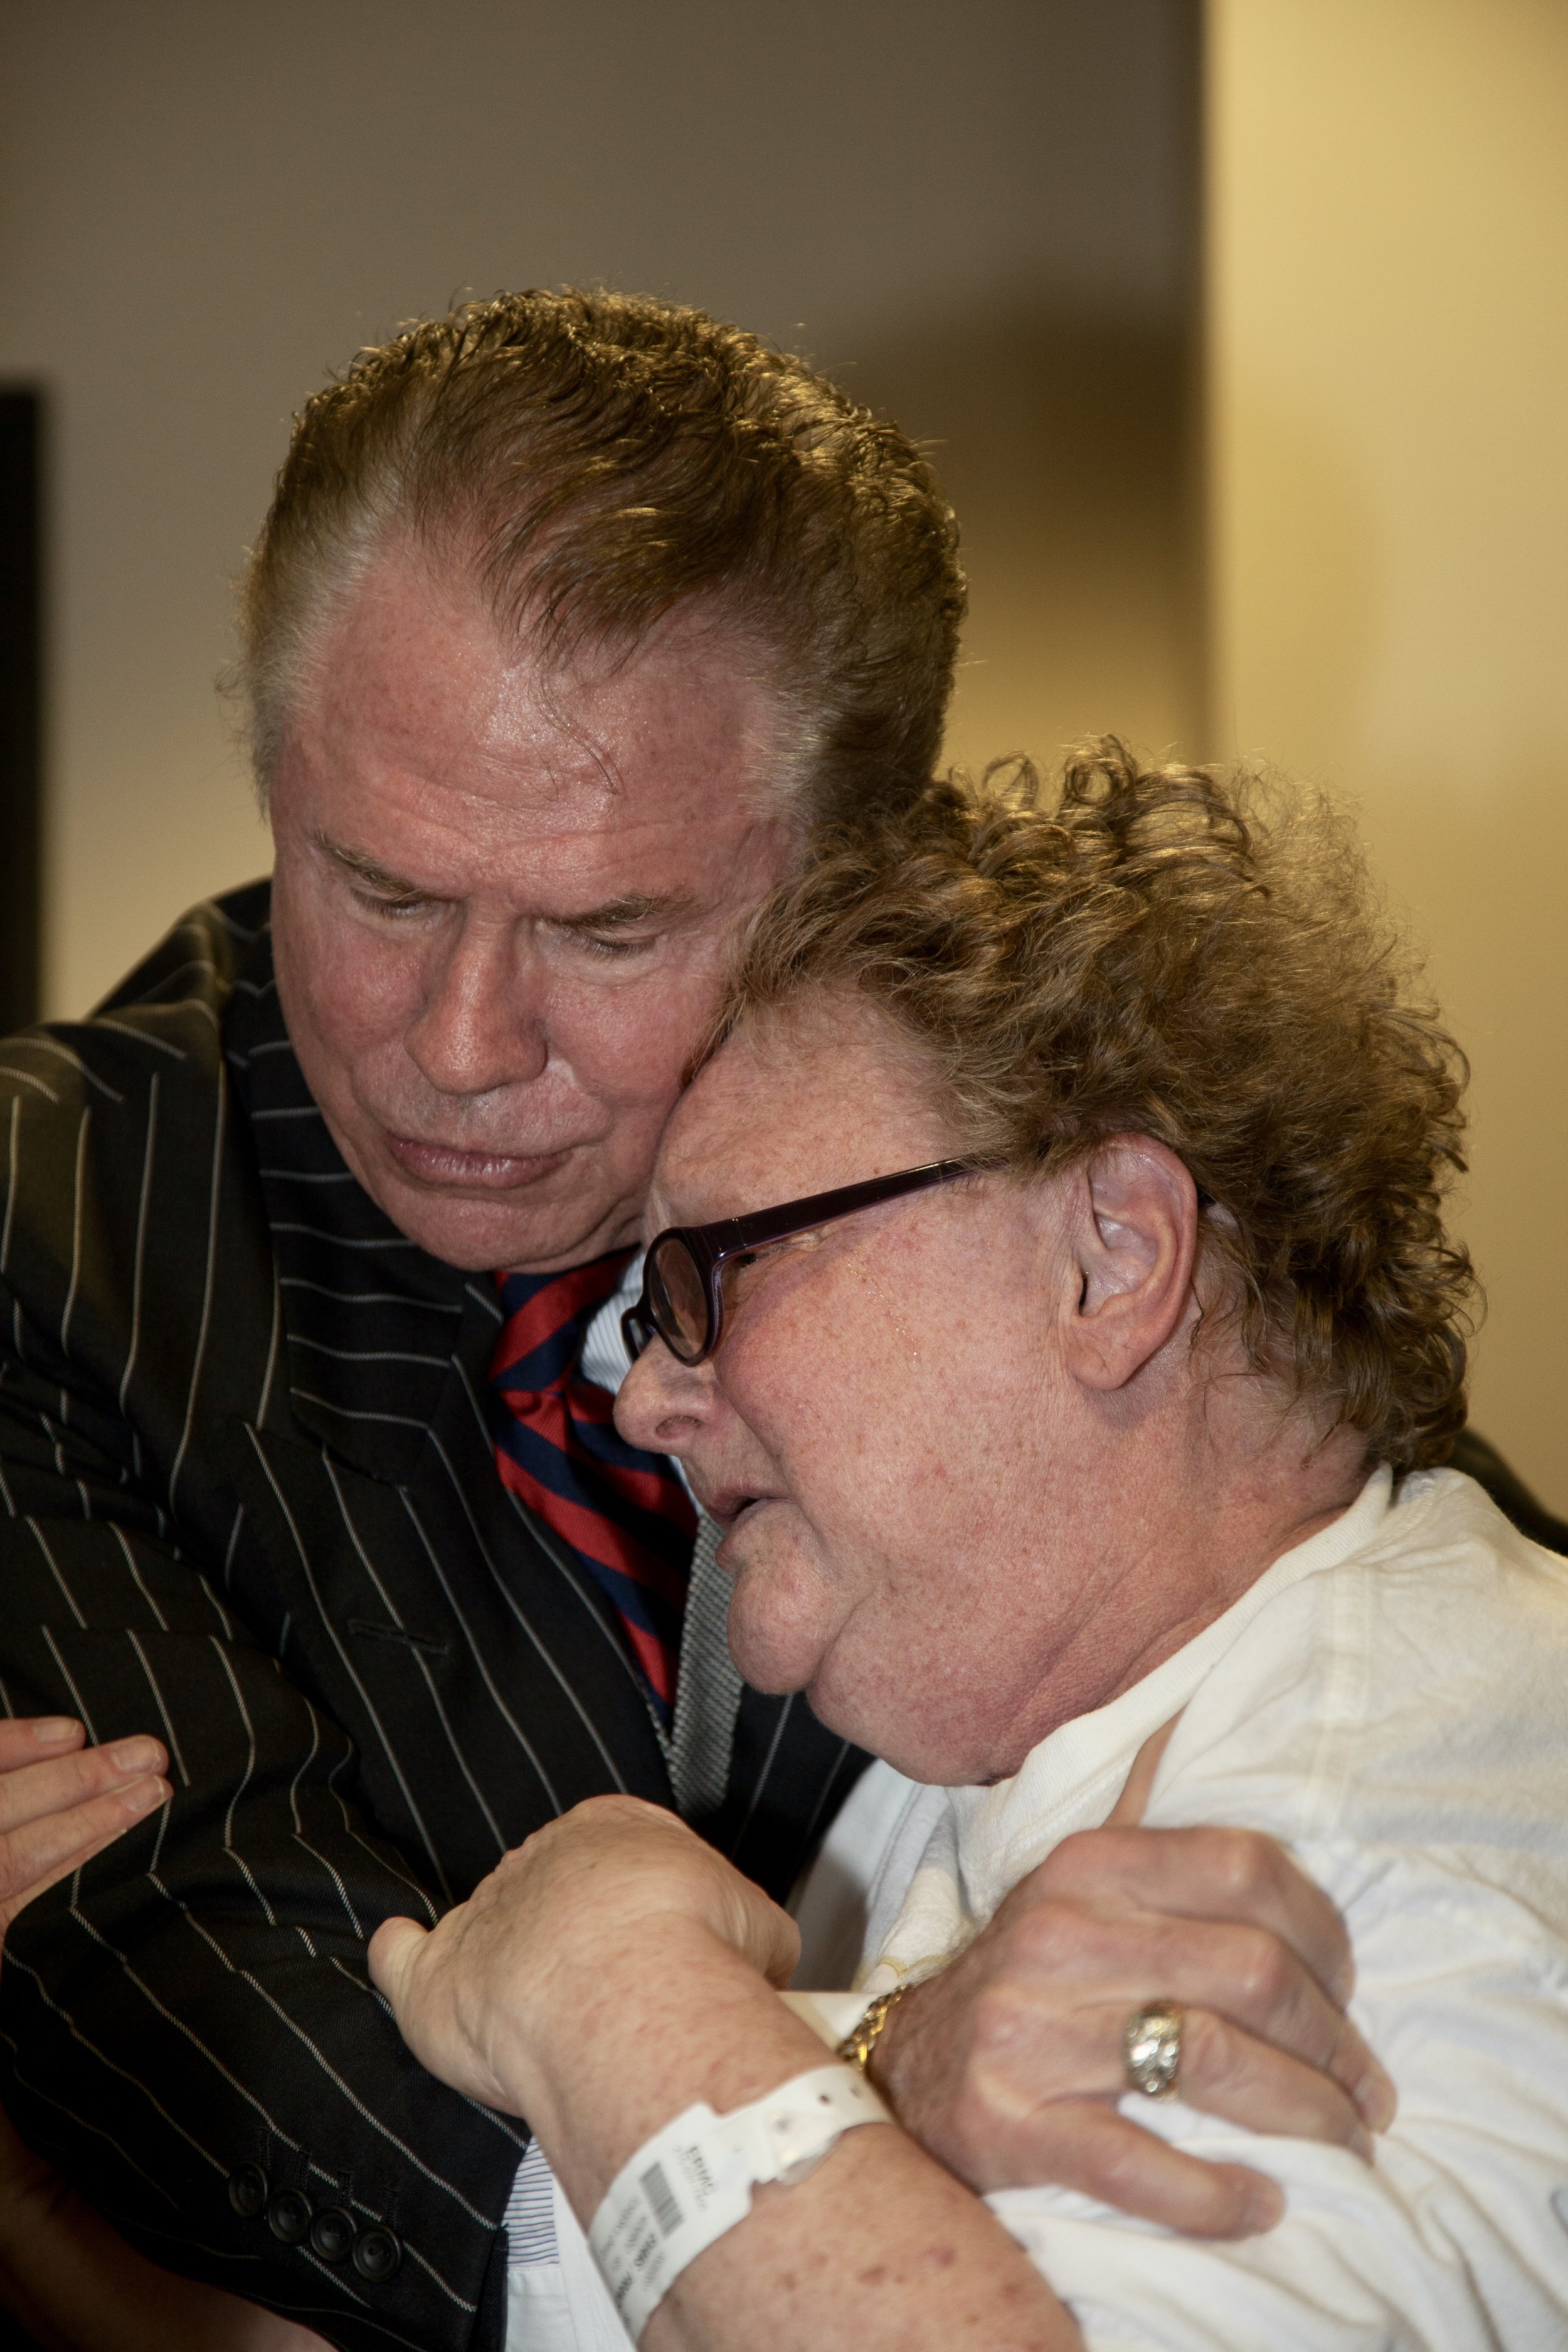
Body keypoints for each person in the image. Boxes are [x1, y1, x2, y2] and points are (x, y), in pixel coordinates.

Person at [0, 289, 1542, 2349]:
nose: (459, 1047)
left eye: (607, 927)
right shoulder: (52, 1237)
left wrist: (665, 2038)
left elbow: (1323, 1563)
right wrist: (884, 2071)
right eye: (375, 892)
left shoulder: (1024, 1208)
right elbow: (200, 2008)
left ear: (848, 869)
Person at [367, 744, 1568, 2351]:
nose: (647, 1397)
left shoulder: (1369, 1838)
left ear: (1109, 1258)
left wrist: (610, 1991)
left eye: (711, 1274)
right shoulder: (976, 1749)